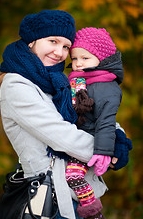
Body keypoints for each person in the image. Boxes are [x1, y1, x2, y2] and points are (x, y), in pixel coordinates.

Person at [0, 10, 132, 219]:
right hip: (50, 199)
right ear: (31, 42)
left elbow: (95, 116)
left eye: (65, 46)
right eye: (53, 41)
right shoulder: (16, 85)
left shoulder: (57, 82)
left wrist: (119, 138)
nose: (60, 52)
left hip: (75, 194)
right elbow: (63, 137)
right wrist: (107, 152)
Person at [65, 27, 133, 219]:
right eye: (75, 58)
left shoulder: (105, 87)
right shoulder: (80, 81)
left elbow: (106, 122)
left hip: (93, 141)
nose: (77, 64)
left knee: (73, 176)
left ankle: (93, 214)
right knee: (71, 177)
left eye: (85, 58)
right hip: (79, 137)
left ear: (101, 59)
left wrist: (103, 152)